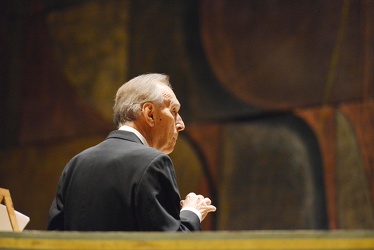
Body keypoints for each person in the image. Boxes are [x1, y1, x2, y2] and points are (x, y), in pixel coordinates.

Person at [47, 73, 216, 231]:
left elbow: (53, 239)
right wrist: (192, 213)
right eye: (173, 111)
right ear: (149, 114)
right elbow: (169, 244)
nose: (181, 124)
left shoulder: (75, 164)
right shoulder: (154, 163)